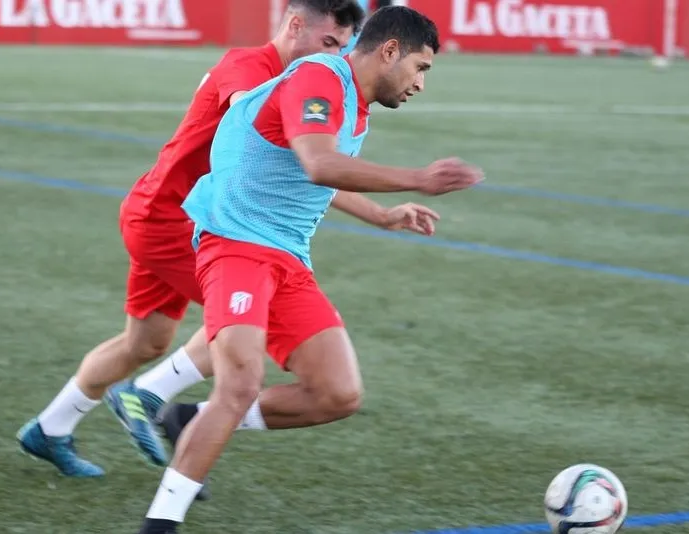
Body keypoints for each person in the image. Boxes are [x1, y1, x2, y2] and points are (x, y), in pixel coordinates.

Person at [16, 0, 428, 483]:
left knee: (146, 341)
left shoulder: (312, 82)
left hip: (173, 212)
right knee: (247, 318)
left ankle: (50, 427)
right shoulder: (251, 67)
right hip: (180, 219)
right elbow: (279, 153)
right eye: (330, 43)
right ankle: (149, 398)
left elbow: (296, 166)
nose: (336, 56)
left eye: (343, 47)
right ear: (295, 26)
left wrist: (378, 214)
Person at [135, 6, 484, 533]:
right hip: (236, 244)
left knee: (337, 393)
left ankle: (186, 418)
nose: (419, 83)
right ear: (389, 50)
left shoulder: (355, 105)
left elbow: (313, 169)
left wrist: (383, 216)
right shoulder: (319, 77)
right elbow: (318, 162)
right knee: (240, 384)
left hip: (286, 258)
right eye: (420, 67)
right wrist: (419, 178)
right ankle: (159, 524)